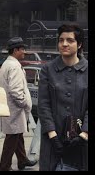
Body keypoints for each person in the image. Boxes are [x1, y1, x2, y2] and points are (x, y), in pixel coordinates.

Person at [38, 24, 88, 171]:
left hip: (82, 143)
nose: (64, 44)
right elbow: (43, 105)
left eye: (70, 40)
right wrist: (52, 136)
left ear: (79, 44)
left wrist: (84, 134)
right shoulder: (48, 70)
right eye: (61, 40)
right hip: (53, 141)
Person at [0, 37, 37, 171]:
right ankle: (4, 167)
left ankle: (22, 161)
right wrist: (25, 103)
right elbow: (15, 91)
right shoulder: (14, 66)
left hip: (10, 108)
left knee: (17, 136)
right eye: (22, 49)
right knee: (12, 140)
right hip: (14, 110)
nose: (24, 52)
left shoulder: (7, 64)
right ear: (15, 50)